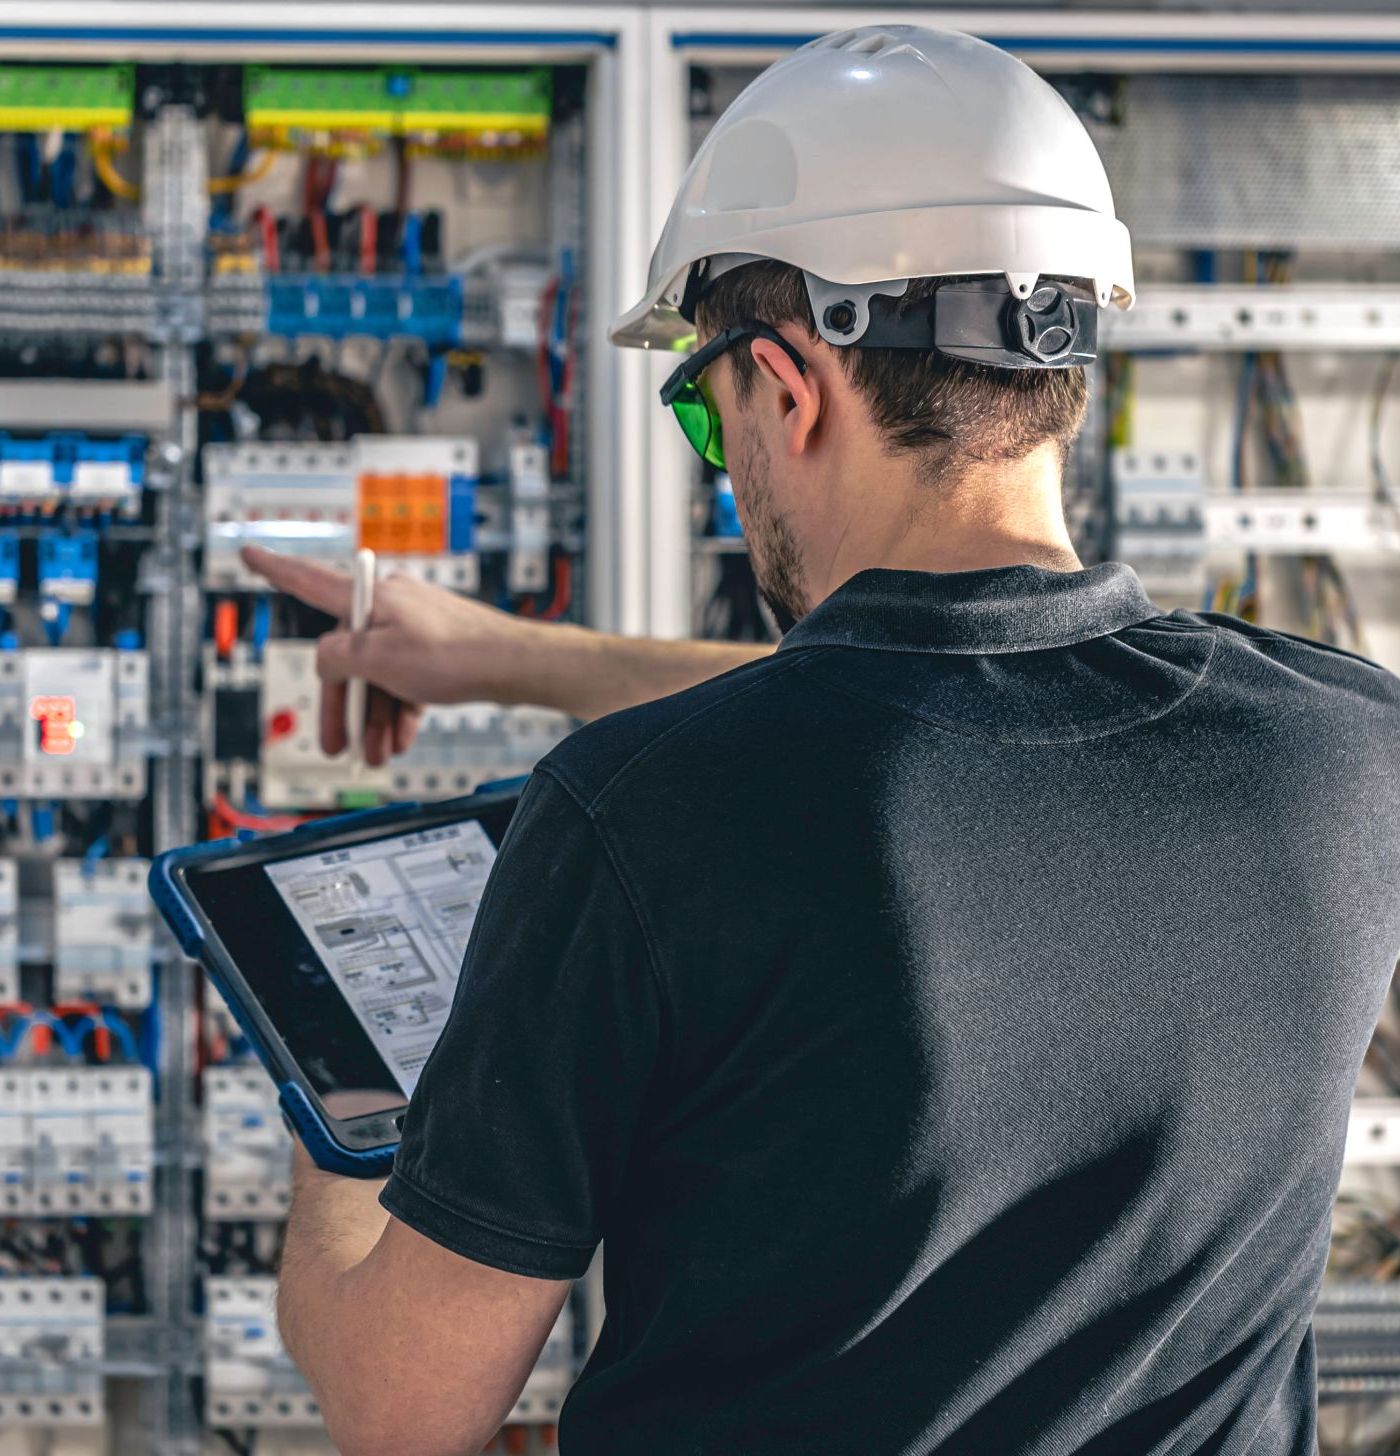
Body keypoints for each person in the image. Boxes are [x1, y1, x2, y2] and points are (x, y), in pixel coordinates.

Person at [262, 25, 1400, 1456]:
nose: (723, 463)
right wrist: (517, 659)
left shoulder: (638, 818)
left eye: (708, 409)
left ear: (788, 386)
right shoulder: (1343, 750)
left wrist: (338, 1113)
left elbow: (400, 1408)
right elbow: (948, 709)